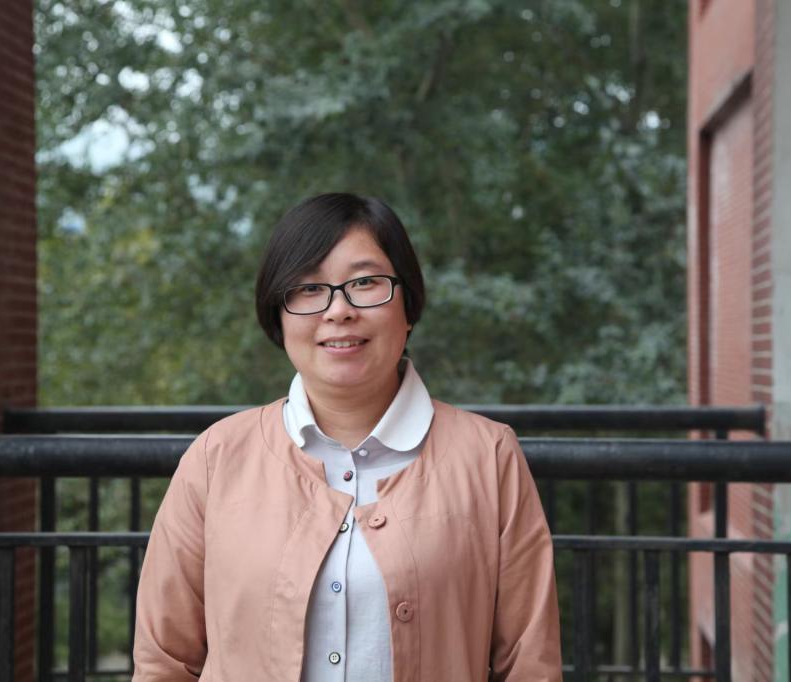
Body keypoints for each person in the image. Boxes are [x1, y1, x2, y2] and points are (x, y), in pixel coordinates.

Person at [133, 193, 562, 681]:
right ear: (278, 313)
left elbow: (530, 664)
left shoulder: (488, 456)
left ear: (408, 305)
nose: (338, 310)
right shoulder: (217, 457)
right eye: (308, 288)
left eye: (364, 282)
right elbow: (163, 662)